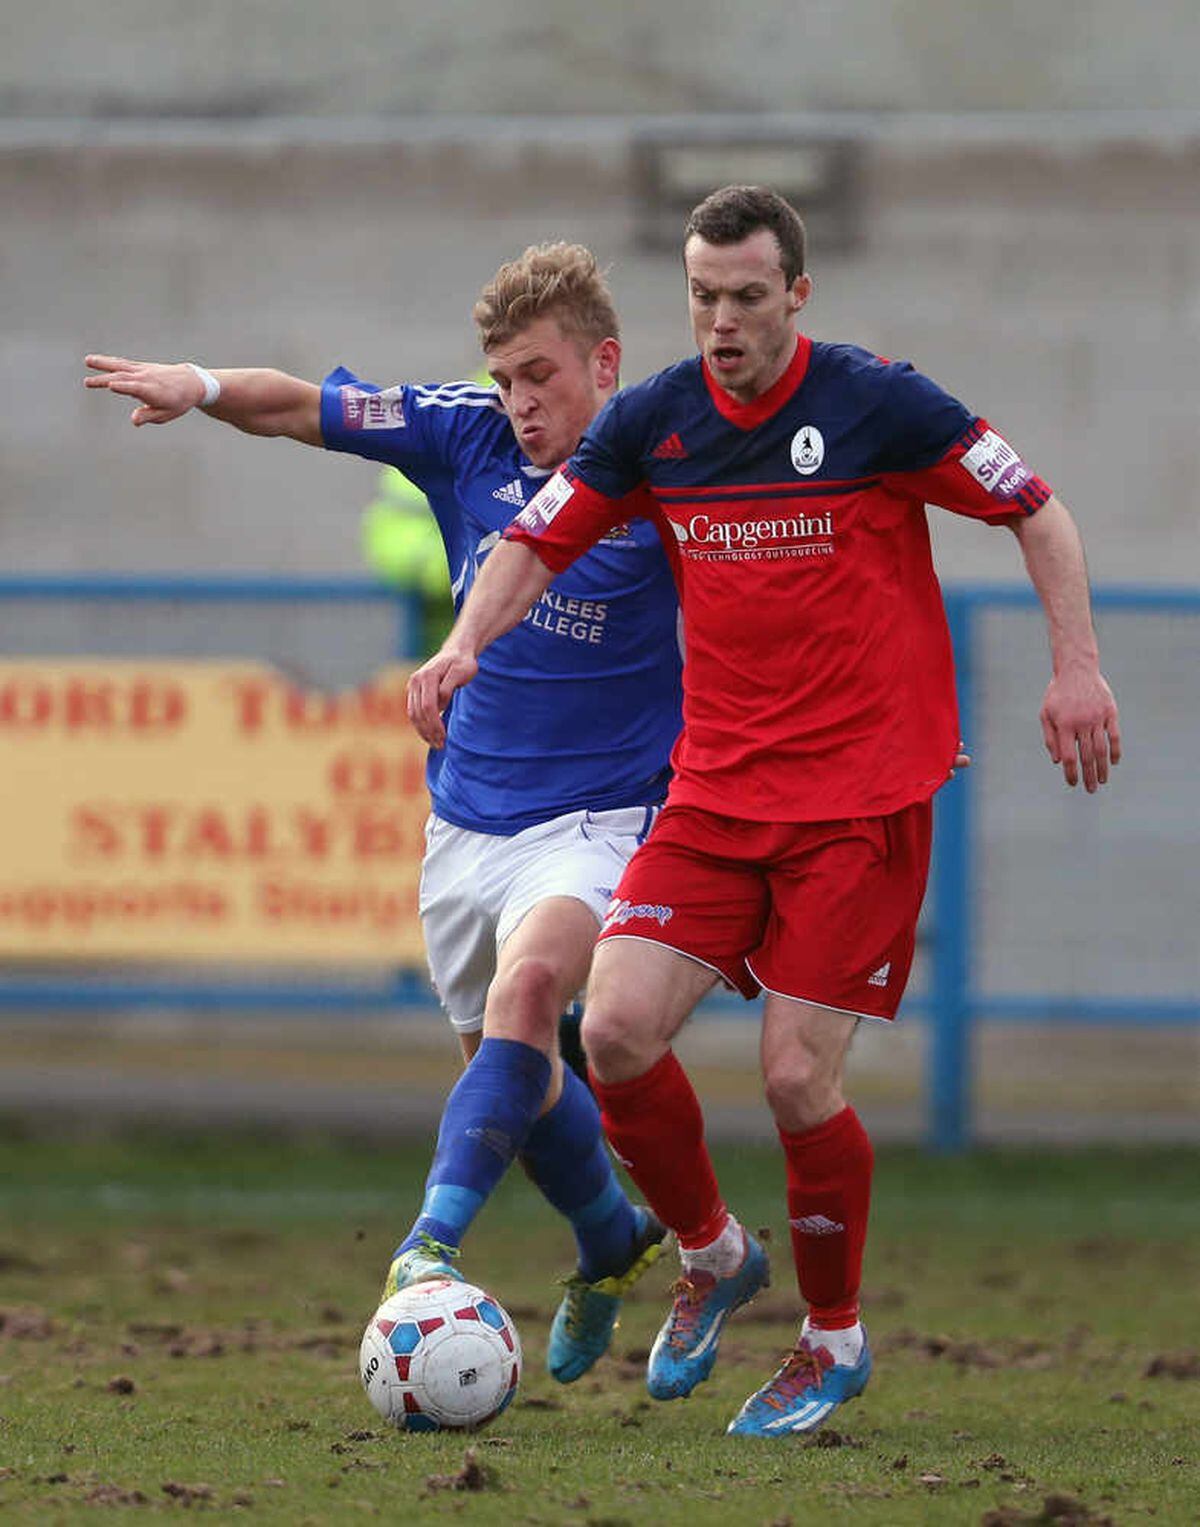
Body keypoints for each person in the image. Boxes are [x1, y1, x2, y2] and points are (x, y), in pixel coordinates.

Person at [405, 186, 1122, 1436]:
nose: (722, 321)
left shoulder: (879, 403)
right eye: (703, 297)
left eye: (746, 296)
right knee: (615, 1036)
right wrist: (466, 644)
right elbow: (536, 538)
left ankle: (833, 1340)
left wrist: (1076, 666)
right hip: (717, 794)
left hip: (859, 799)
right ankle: (711, 1251)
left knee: (795, 1077)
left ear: (797, 294)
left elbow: (1036, 507)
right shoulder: (655, 425)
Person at [83, 242, 685, 1384]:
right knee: (515, 1075)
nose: (520, 402)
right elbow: (303, 407)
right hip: (467, 821)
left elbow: (787, 599)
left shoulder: (670, 472)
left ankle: (426, 1247)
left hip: (606, 816)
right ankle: (612, 1239)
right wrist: (200, 388)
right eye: (505, 376)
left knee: (531, 994)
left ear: (603, 364)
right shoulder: (462, 432)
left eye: (541, 376)